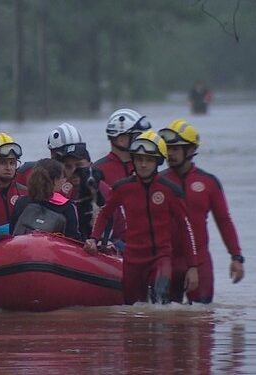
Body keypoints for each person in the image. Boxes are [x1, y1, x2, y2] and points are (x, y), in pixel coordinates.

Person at [84, 131, 199, 305]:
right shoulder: (123, 188)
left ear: (158, 161)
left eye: (149, 160)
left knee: (159, 301)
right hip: (132, 261)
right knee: (132, 308)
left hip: (160, 258)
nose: (143, 164)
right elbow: (105, 213)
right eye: (139, 159)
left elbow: (185, 227)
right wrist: (93, 238)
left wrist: (192, 267)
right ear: (133, 160)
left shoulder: (171, 191)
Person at [159, 120, 244, 304]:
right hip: (167, 263)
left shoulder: (209, 182)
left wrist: (236, 257)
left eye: (175, 149)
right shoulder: (158, 182)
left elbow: (224, 221)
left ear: (190, 150)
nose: (169, 154)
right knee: (164, 323)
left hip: (200, 263)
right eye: (167, 148)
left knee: (202, 322)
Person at [10, 158, 81, 240]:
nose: (64, 181)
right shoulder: (67, 207)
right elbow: (73, 240)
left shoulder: (21, 202)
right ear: (55, 180)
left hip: (22, 249)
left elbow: (12, 233)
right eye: (63, 177)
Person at [92, 108, 153, 187]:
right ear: (121, 140)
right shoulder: (96, 171)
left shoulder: (144, 165)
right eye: (137, 136)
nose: (141, 141)